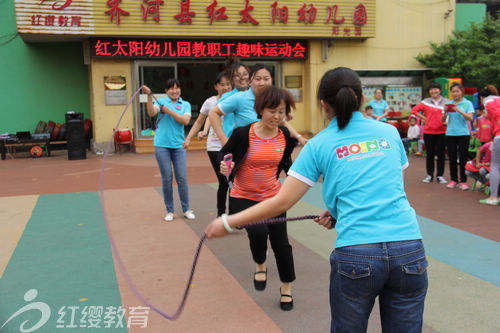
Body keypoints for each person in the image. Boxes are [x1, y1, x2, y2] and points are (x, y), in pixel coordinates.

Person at [206, 67, 428, 332]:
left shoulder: (319, 144)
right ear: (362, 99)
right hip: (409, 250)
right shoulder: (390, 133)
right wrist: (337, 211)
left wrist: (228, 222)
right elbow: (386, 189)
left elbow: (281, 202)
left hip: (357, 255)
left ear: (323, 104)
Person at [218, 86, 298, 311]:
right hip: (243, 196)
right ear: (260, 110)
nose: (277, 116)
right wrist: (226, 165)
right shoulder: (243, 133)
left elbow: (287, 167)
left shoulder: (285, 137)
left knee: (282, 244)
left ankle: (286, 288)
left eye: (282, 112)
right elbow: (224, 154)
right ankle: (260, 264)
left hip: (273, 197)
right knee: (259, 231)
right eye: (272, 111)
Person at [208, 63, 307, 147]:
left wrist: (299, 138)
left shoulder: (273, 99)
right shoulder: (240, 98)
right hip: (243, 150)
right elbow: (213, 113)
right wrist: (223, 139)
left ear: (271, 80)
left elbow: (283, 122)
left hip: (268, 148)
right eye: (258, 79)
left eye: (266, 79)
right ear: (249, 81)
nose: (262, 83)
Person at [142, 79, 196, 221]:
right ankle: (170, 211)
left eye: (177, 88)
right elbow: (151, 112)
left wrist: (170, 112)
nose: (174, 91)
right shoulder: (161, 102)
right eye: (171, 88)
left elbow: (185, 121)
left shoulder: (185, 104)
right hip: (162, 145)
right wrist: (149, 96)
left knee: (182, 178)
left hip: (178, 146)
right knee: (167, 178)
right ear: (166, 91)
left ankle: (186, 209)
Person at [183, 72, 232, 216]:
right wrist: (188, 138)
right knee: (224, 182)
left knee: (233, 182)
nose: (226, 87)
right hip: (215, 148)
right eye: (222, 84)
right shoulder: (210, 102)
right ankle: (221, 215)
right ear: (216, 86)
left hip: (232, 146)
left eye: (228, 84)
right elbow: (199, 121)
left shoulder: (236, 100)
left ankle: (235, 215)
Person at [411, 82, 449, 184]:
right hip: (429, 132)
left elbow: (450, 115)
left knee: (441, 154)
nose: (433, 91)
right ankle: (430, 175)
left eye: (436, 89)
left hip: (442, 131)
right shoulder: (425, 102)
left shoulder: (447, 102)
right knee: (430, 154)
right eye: (431, 89)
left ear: (440, 90)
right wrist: (424, 118)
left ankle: (440, 175)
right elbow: (414, 111)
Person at [442, 83, 474, 190]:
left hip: (463, 134)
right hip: (450, 133)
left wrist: (458, 110)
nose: (455, 93)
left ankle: (463, 181)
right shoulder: (449, 103)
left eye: (457, 91)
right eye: (453, 91)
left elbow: (470, 118)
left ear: (462, 92)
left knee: (463, 157)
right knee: (452, 157)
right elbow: (442, 120)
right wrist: (445, 112)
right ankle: (454, 180)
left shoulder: (467, 103)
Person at [478, 85, 500, 205]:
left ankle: (493, 197)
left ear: (482, 97)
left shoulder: (487, 102)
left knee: (495, 166)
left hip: (498, 136)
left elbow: (487, 116)